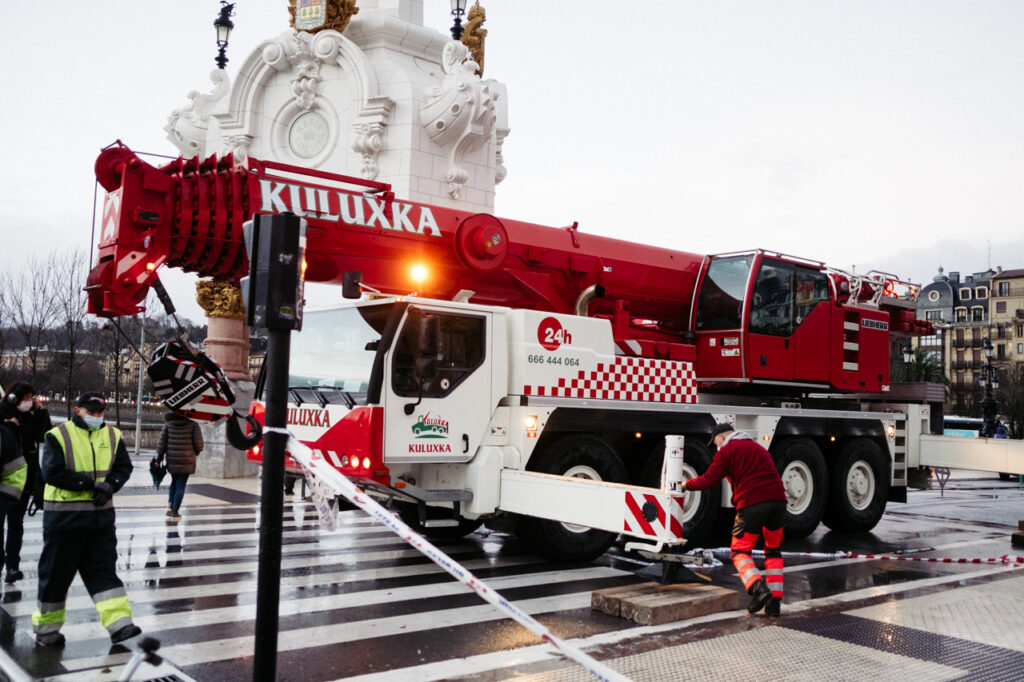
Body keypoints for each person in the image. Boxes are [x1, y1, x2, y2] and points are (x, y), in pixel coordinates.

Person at [32, 392, 141, 647]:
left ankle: (120, 625)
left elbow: (123, 467)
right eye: (91, 411)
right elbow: (53, 473)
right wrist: (91, 485)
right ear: (78, 410)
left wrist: (111, 485)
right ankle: (47, 631)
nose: (97, 416)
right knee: (56, 576)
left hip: (100, 521)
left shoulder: (113, 435)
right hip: (65, 521)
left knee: (104, 573)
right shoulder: (58, 435)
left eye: (100, 412)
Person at [684, 423, 787, 617]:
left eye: (716, 443)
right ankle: (774, 605)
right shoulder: (758, 448)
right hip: (778, 503)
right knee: (773, 552)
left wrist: (685, 485)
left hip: (752, 505)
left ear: (722, 438)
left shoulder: (727, 450)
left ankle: (758, 588)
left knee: (739, 552)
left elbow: (710, 479)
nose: (717, 448)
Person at [0, 382, 52, 584]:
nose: (29, 401)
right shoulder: (3, 415)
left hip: (24, 479)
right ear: (14, 398)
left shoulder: (30, 416)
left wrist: (41, 412)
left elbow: (44, 435)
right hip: (4, 479)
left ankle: (12, 566)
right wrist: (9, 426)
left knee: (16, 523)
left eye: (32, 397)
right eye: (26, 398)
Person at [156, 410, 204, 521]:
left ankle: (170, 505)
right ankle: (175, 511)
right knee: (181, 485)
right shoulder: (193, 424)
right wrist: (195, 453)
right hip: (187, 459)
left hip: (172, 459)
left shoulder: (168, 424)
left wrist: (158, 460)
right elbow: (199, 445)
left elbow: (161, 444)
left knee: (174, 482)